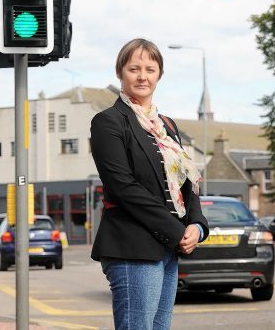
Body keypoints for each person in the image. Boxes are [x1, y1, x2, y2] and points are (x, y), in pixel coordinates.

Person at [90, 38, 209, 330]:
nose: (142, 76)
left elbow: (187, 181)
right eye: (134, 68)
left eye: (150, 69)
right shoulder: (108, 122)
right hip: (132, 247)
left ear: (159, 75)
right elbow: (122, 187)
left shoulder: (167, 126)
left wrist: (197, 224)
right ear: (120, 72)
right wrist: (176, 231)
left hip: (168, 247)